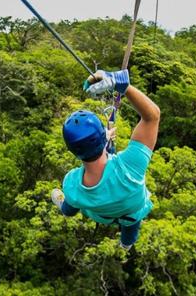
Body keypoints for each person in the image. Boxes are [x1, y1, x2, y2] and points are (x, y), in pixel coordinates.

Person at [51, 69, 160, 249]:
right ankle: (126, 244)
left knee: (69, 208)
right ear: (102, 138)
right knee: (131, 227)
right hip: (131, 212)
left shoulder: (72, 183)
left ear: (72, 150)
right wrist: (121, 84)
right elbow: (152, 116)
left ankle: (62, 203)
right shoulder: (130, 168)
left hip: (101, 215)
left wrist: (102, 141)